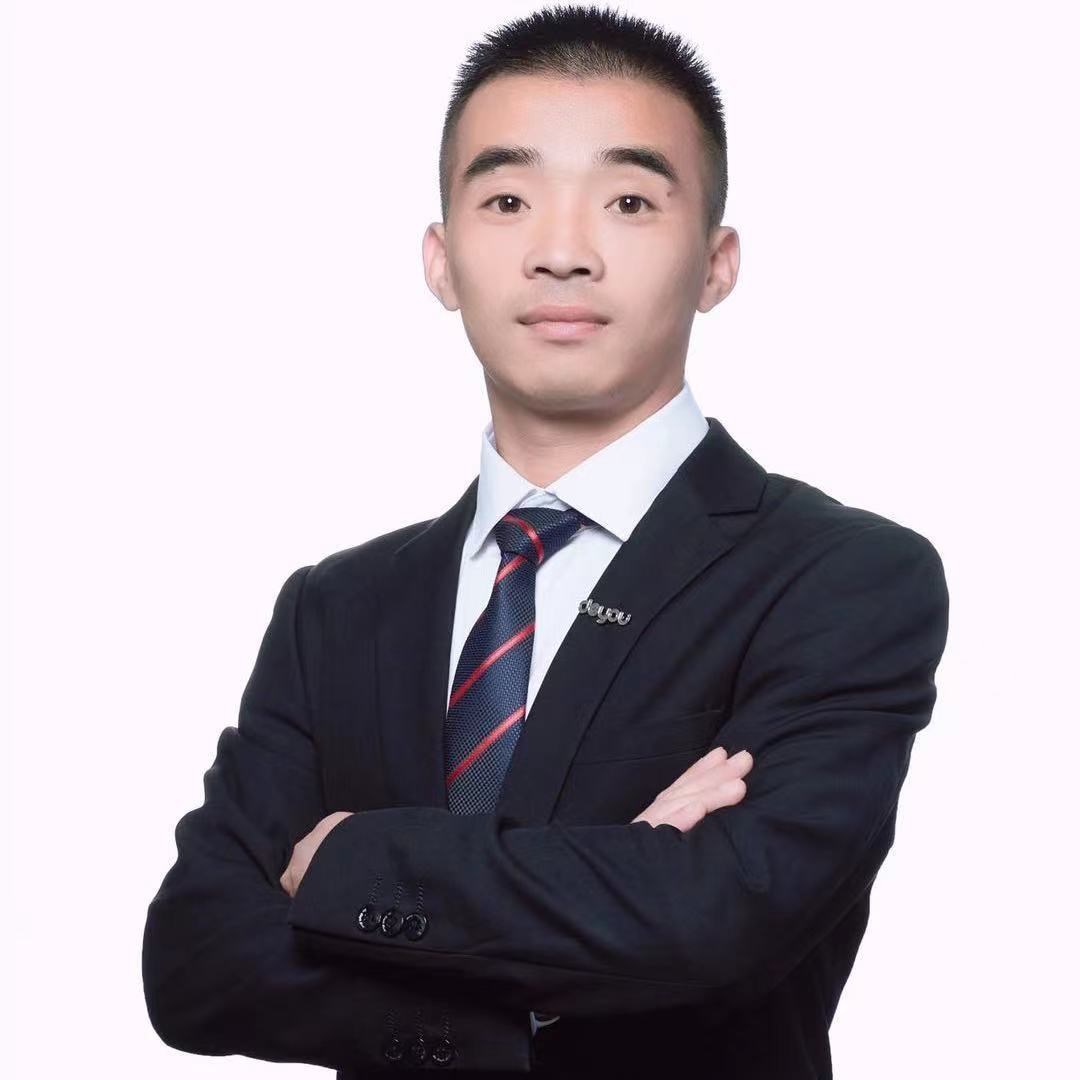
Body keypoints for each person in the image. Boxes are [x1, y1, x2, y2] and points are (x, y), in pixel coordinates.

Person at [142, 5, 949, 1077]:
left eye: (629, 202)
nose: (563, 253)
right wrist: (537, 986)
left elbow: (720, 922)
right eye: (509, 200)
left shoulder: (840, 577)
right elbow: (195, 961)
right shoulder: (336, 608)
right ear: (441, 261)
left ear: (716, 264)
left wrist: (349, 860)